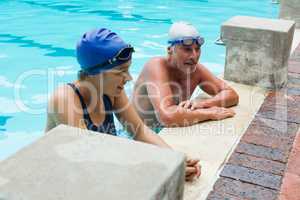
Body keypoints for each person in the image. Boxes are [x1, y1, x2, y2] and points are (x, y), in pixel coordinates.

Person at [45, 28, 200, 181]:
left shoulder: (112, 91)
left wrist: (175, 159)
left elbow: (139, 131)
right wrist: (161, 166)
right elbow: (88, 160)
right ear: (96, 73)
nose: (129, 78)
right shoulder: (64, 99)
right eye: (121, 72)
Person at [132, 22, 239, 131]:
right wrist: (208, 113)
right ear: (170, 50)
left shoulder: (196, 70)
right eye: (187, 49)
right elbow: (167, 116)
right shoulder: (155, 66)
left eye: (197, 49)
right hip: (136, 136)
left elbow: (231, 94)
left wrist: (202, 104)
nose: (194, 56)